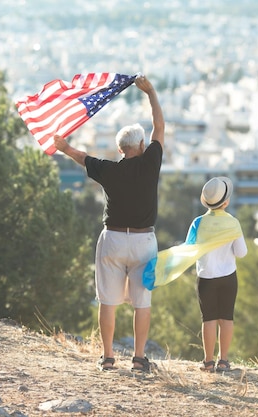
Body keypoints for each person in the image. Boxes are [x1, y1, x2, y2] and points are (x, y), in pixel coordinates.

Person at [53, 74, 165, 373]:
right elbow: (159, 127)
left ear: (120, 150)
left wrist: (63, 147)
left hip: (113, 239)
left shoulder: (109, 170)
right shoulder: (151, 161)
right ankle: (139, 358)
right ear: (141, 145)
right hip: (143, 241)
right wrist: (150, 93)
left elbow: (83, 157)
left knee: (108, 301)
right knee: (142, 303)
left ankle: (107, 357)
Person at [184, 177, 247, 372]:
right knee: (226, 318)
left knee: (208, 319)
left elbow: (189, 249)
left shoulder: (198, 222)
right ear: (226, 202)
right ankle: (224, 360)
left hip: (206, 277)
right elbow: (242, 252)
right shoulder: (233, 223)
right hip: (228, 277)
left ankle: (208, 361)